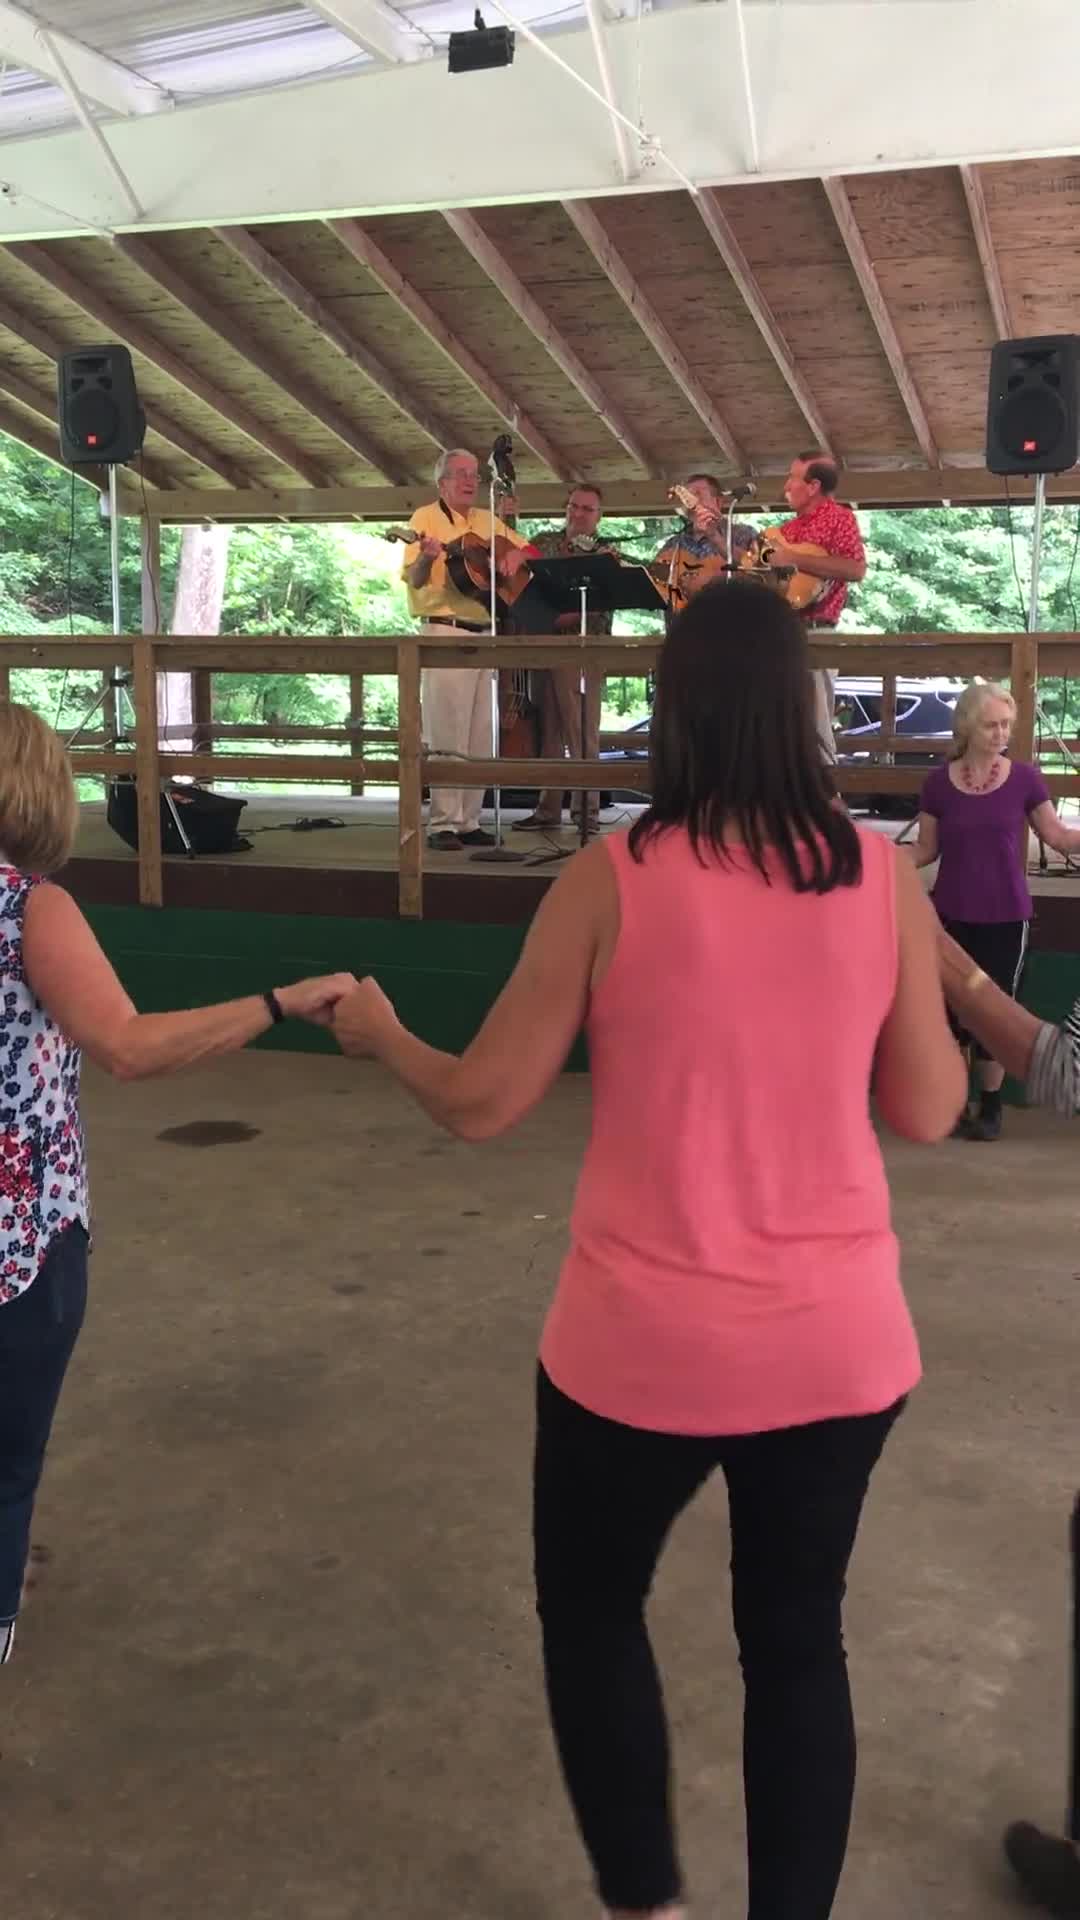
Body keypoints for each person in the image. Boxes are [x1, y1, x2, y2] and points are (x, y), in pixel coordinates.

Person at [331, 579, 966, 1920]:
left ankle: (648, 1907)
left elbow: (486, 1101)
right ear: (805, 714)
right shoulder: (876, 877)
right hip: (841, 1346)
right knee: (798, 1648)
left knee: (595, 1613)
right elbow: (929, 1108)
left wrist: (383, 1034)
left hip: (640, 1349)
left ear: (669, 715)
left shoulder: (608, 878)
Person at [0, 702, 354, 1667]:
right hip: (19, 1238)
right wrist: (279, 1002)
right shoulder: (29, 904)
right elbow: (127, 1046)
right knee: (8, 1464)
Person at [910, 680, 1080, 1140]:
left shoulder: (1025, 778)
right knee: (947, 1013)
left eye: (1006, 724)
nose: (1001, 733)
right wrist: (872, 858)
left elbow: (1059, 837)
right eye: (991, 725)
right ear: (966, 726)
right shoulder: (938, 783)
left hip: (1007, 917)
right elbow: (924, 850)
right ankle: (953, 1104)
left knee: (997, 1010)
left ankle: (990, 1110)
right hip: (948, 915)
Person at [401, 447, 530, 853]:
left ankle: (469, 820)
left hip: (485, 632)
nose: (470, 481)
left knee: (479, 734)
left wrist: (513, 558)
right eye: (460, 474)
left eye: (474, 474)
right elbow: (415, 579)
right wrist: (426, 556)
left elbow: (529, 551)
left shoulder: (484, 519)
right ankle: (442, 822)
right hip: (445, 631)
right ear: (442, 482)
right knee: (447, 729)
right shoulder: (424, 518)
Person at [513, 483, 617, 836]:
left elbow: (604, 600)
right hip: (546, 646)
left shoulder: (607, 553)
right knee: (551, 732)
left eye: (588, 509)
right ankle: (548, 808)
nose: (579, 513)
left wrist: (565, 618)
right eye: (574, 506)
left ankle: (586, 812)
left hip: (586, 650)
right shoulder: (544, 543)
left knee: (582, 731)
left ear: (599, 516)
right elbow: (522, 579)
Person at [764, 454, 867, 761]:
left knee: (816, 728)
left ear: (813, 487)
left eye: (792, 478)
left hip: (817, 634)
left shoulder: (840, 518)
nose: (786, 485)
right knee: (777, 727)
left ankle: (826, 799)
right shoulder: (787, 530)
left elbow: (856, 569)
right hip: (779, 634)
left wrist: (792, 559)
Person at [653, 473, 754, 616]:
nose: (690, 501)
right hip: (683, 630)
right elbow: (654, 585)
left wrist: (714, 536)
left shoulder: (743, 535)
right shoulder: (674, 544)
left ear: (719, 502)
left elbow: (757, 573)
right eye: (686, 495)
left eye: (698, 494)